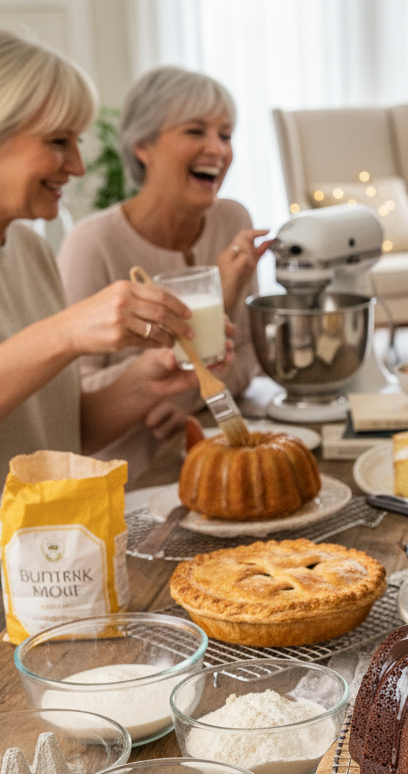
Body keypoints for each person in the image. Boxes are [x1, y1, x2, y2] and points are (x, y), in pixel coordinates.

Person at [58, 66, 270, 477]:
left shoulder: (232, 220)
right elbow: (72, 398)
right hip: (126, 473)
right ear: (143, 145)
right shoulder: (92, 244)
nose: (219, 149)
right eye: (195, 131)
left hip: (213, 448)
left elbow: (246, 355)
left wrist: (186, 397)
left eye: (225, 135)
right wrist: (155, 391)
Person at [0, 30, 197, 472]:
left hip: (49, 538)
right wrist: (64, 333)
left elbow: (59, 436)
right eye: (57, 141)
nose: (78, 166)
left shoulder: (29, 248)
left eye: (78, 141)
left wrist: (144, 383)